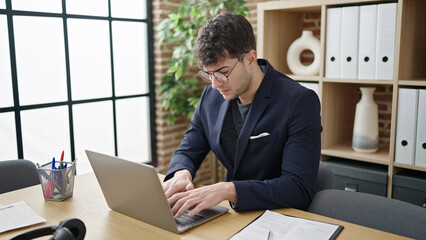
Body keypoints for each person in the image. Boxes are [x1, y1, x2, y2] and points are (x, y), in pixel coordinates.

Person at [162, 12, 322, 218]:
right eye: (208, 74)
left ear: (250, 59)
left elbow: (298, 188)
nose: (214, 84)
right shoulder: (211, 96)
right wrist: (182, 172)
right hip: (235, 215)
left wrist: (228, 189)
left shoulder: (300, 102)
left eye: (222, 72)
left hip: (281, 216)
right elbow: (189, 148)